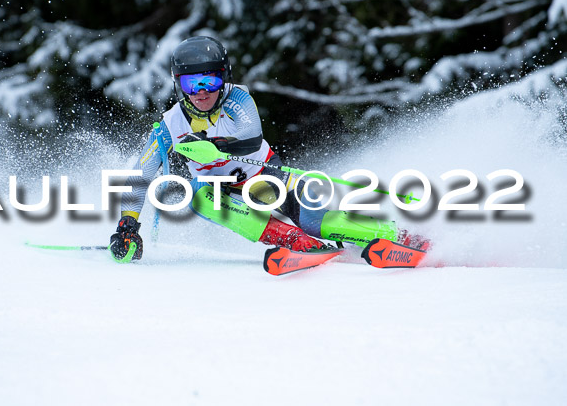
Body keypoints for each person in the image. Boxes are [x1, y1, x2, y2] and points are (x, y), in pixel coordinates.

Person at [109, 36, 427, 262]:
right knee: (197, 196)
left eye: (210, 81)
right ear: (180, 85)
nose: (202, 92)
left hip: (266, 176)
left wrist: (213, 146)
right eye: (193, 84)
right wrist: (128, 223)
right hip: (222, 193)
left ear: (225, 79)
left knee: (316, 220)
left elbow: (250, 135)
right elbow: (141, 173)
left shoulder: (238, 99)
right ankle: (294, 243)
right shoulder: (171, 124)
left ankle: (399, 237)